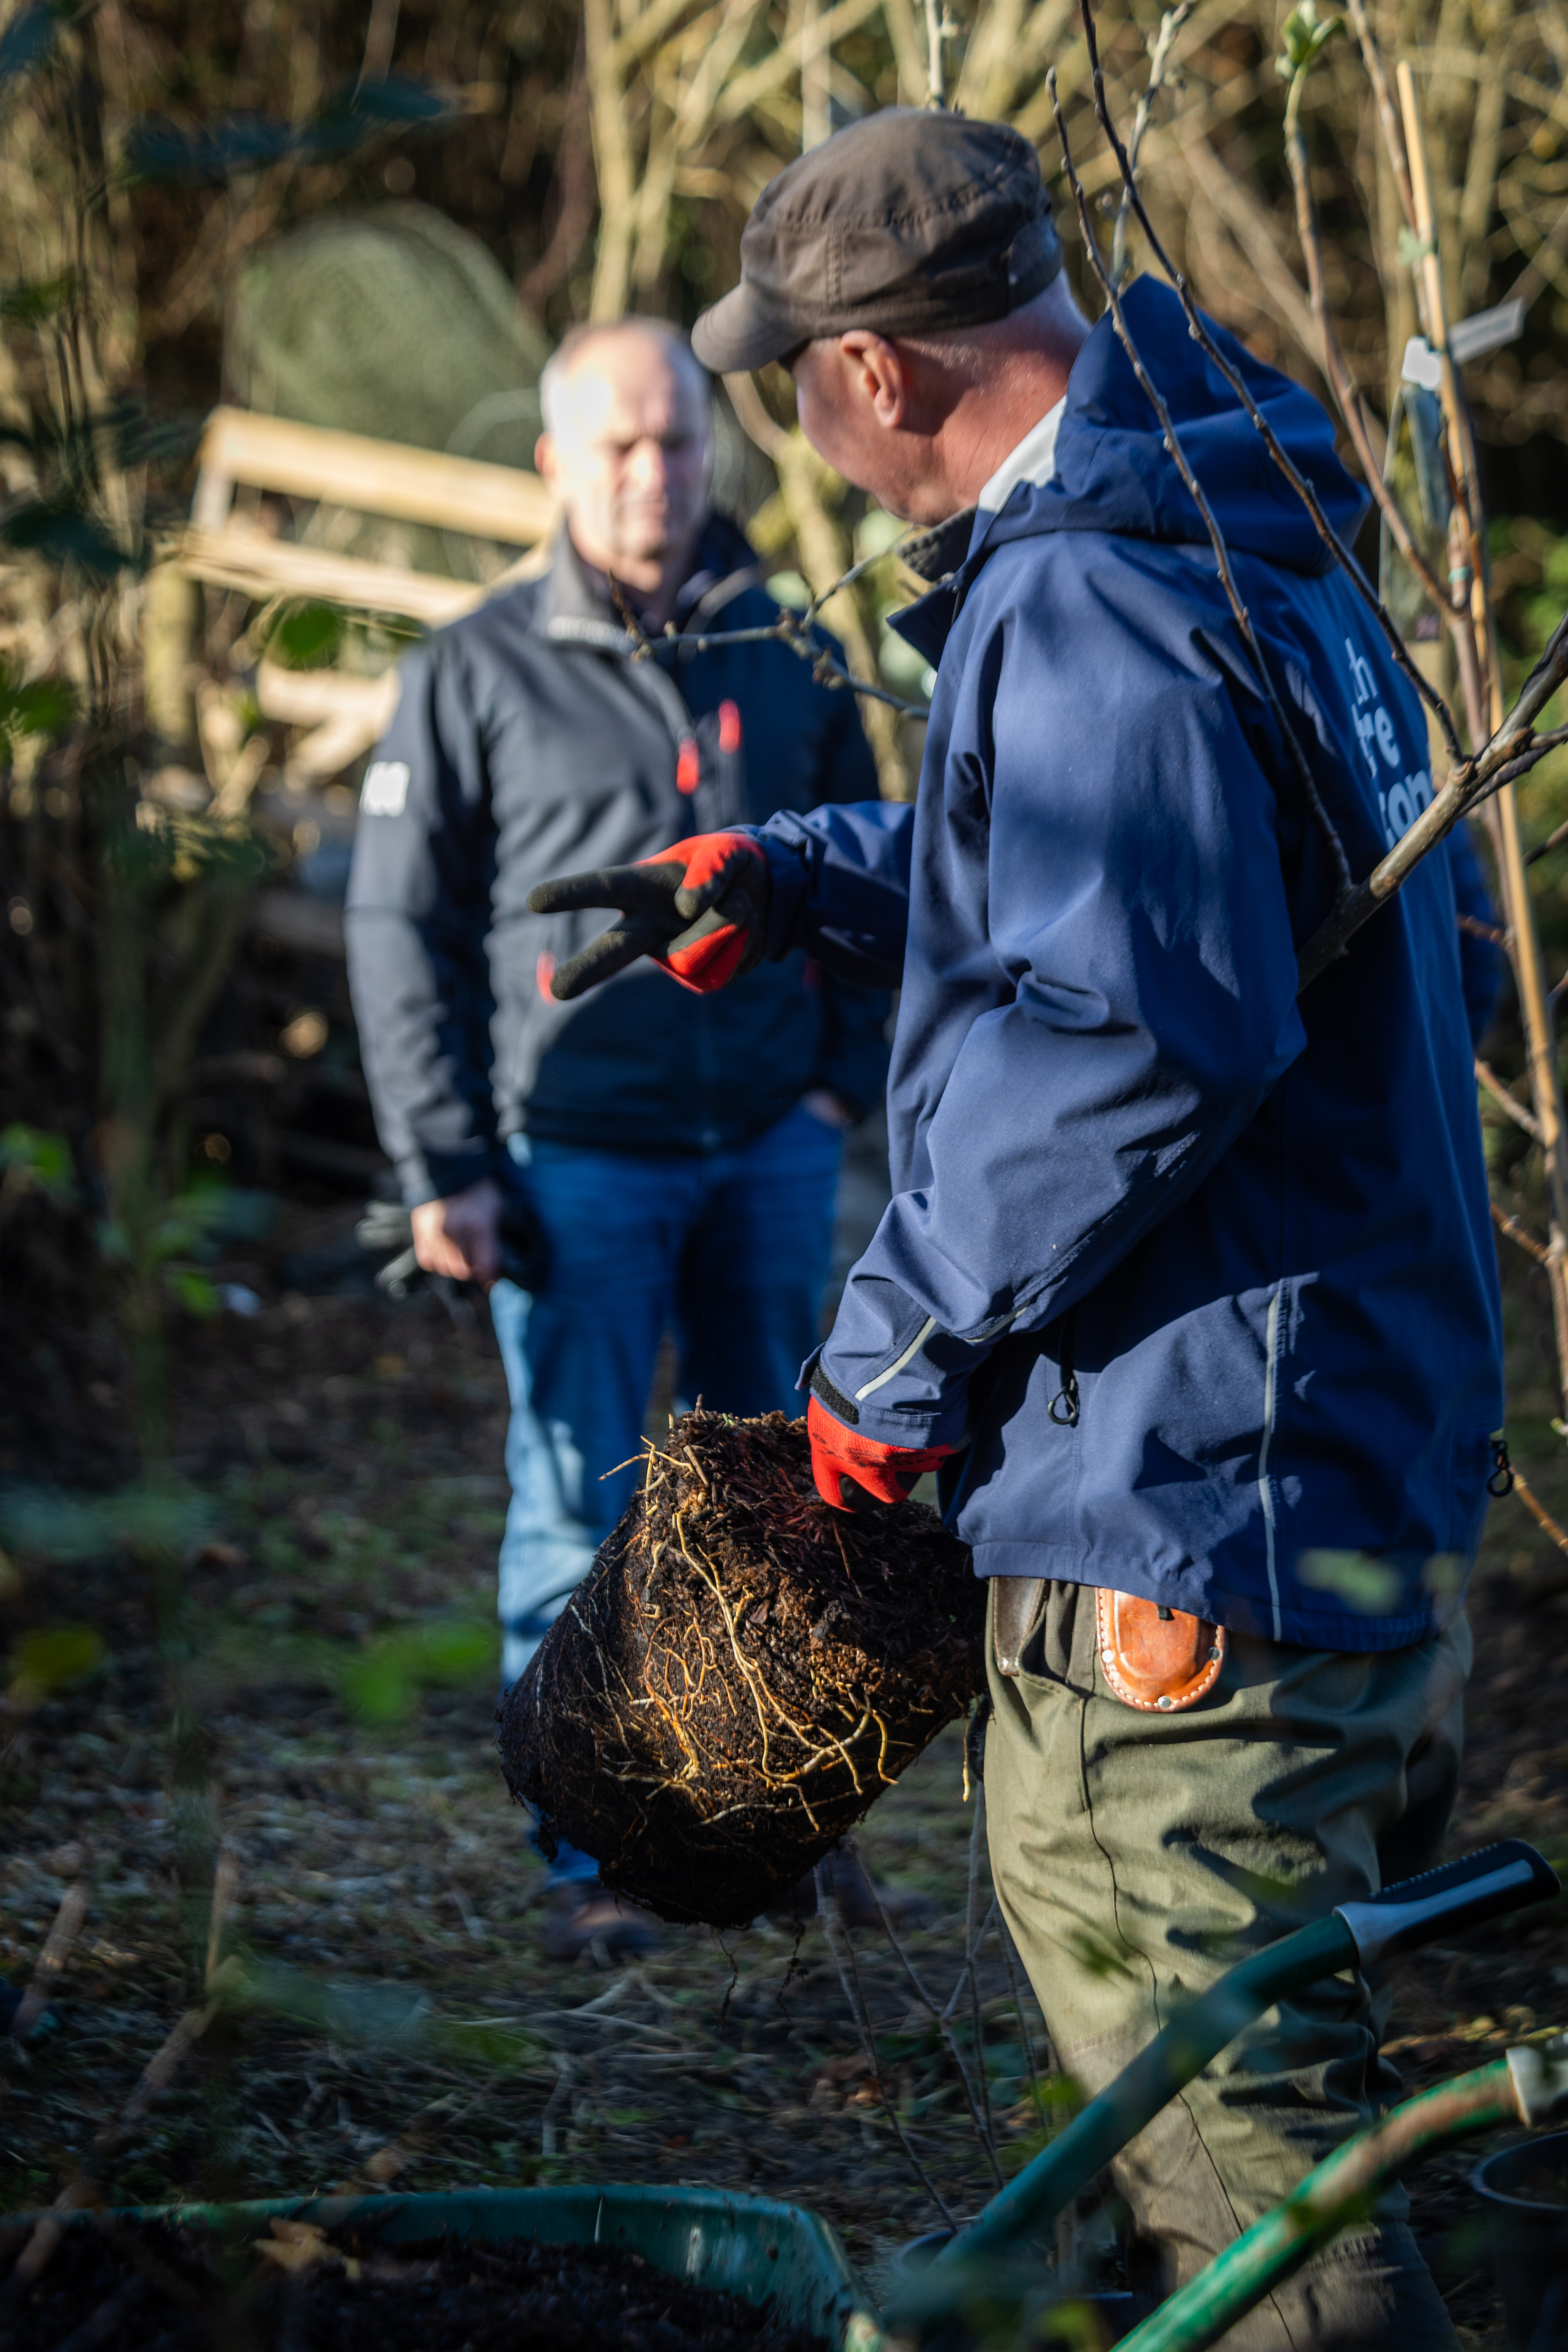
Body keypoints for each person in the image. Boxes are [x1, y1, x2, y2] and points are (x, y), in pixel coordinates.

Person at [531, 111, 1505, 2344]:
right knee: (1177, 2129)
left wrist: (885, 1366)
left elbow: (1130, 1025)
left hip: (1197, 1506)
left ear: (878, 372)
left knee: (1239, 2141)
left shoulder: (1084, 584)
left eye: (794, 376)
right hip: (1338, 1450)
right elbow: (1193, 891)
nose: (791, 419)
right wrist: (802, 875)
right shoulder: (1237, 529)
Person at [344, 316, 889, 1961]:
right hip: (576, 1159)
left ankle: (776, 1841)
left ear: (711, 448)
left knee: (785, 1510)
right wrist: (444, 1162)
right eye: (619, 448)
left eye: (676, 441)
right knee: (577, 1513)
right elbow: (397, 924)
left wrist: (834, 1085)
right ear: (555, 465)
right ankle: (592, 1864)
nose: (654, 476)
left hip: (773, 1159)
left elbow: (886, 864)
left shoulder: (787, 646)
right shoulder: (473, 669)